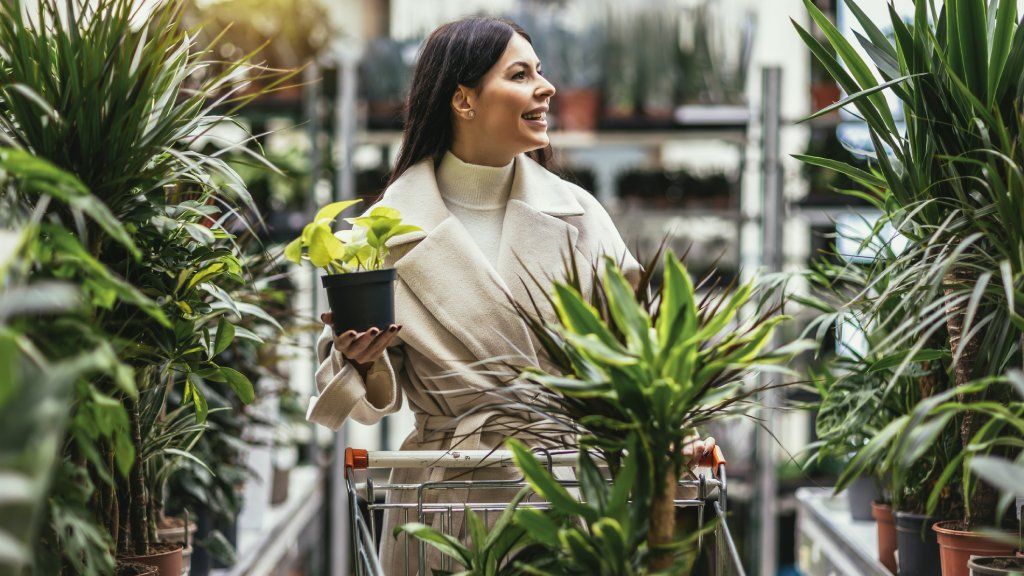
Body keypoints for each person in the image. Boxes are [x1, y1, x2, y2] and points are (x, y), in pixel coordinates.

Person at [307, 16, 715, 574]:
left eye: (540, 72)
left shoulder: (578, 213)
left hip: (563, 487)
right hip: (443, 502)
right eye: (520, 74)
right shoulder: (385, 229)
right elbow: (368, 391)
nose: (545, 88)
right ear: (464, 100)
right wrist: (359, 359)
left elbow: (641, 347)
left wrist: (674, 431)